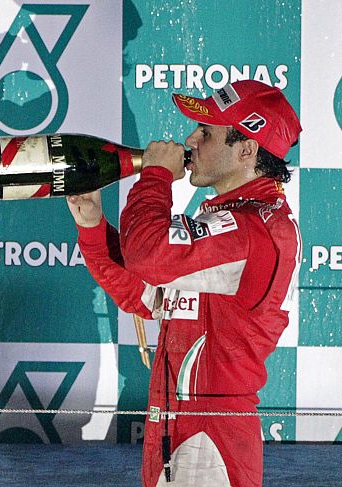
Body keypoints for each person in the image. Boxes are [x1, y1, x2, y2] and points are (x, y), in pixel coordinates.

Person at [67, 80, 302, 486]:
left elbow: (150, 256)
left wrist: (157, 176)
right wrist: (92, 227)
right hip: (174, 423)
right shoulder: (230, 221)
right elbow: (144, 295)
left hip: (211, 436)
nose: (190, 139)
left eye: (207, 132)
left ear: (247, 150)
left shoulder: (256, 229)